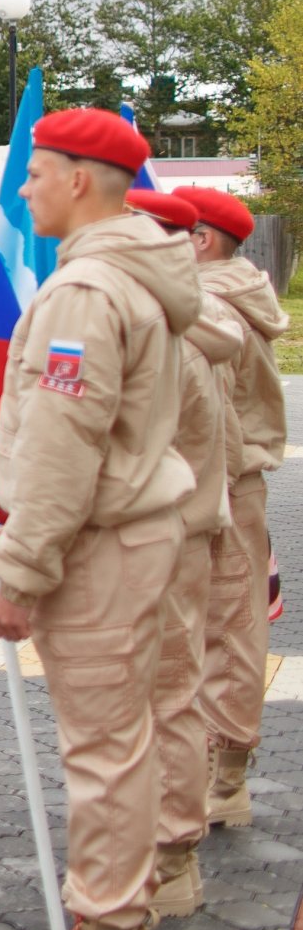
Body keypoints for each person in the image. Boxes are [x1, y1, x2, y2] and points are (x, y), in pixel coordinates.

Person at [0, 108, 200, 930]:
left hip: (101, 551)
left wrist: (22, 570)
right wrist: (25, 520)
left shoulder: (84, 293)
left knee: (102, 753)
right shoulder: (135, 276)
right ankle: (116, 927)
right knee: (129, 737)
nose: (24, 188)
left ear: (77, 179)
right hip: (130, 529)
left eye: (34, 172)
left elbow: (65, 443)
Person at [121, 190, 242, 917]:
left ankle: (165, 863)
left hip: (155, 533)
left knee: (159, 699)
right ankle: (168, 854)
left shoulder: (172, 333)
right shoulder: (198, 319)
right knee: (171, 691)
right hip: (187, 523)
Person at [171, 185, 289, 831]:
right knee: (234, 619)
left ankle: (223, 774)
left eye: (175, 233)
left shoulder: (211, 303)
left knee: (226, 625)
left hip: (216, 478)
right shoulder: (241, 289)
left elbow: (205, 411)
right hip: (235, 479)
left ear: (202, 240)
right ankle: (223, 766)